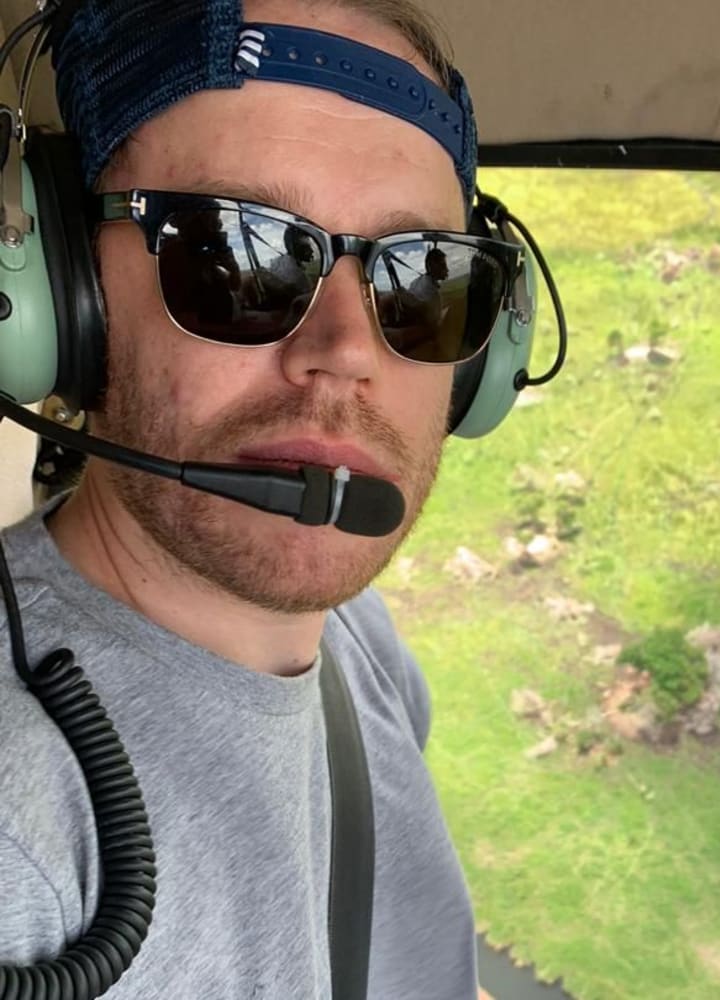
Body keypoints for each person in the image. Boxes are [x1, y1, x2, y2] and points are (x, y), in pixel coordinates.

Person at [0, 0, 511, 997]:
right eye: (236, 252)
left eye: (422, 275)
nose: (347, 355)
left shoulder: (359, 648)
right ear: (63, 297)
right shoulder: (23, 824)